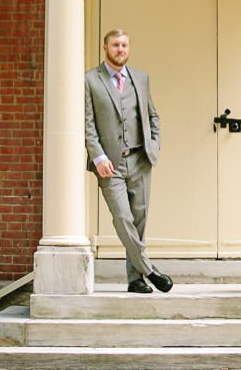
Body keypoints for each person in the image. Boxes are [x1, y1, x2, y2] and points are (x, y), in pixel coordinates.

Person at [85, 29, 173, 294]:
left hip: (140, 159)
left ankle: (136, 280)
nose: (120, 49)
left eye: (124, 45)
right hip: (109, 164)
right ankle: (150, 270)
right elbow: (87, 123)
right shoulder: (90, 80)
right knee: (123, 218)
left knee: (139, 220)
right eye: (115, 45)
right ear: (105, 47)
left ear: (129, 48)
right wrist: (98, 156)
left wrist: (154, 146)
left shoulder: (141, 79)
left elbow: (153, 116)